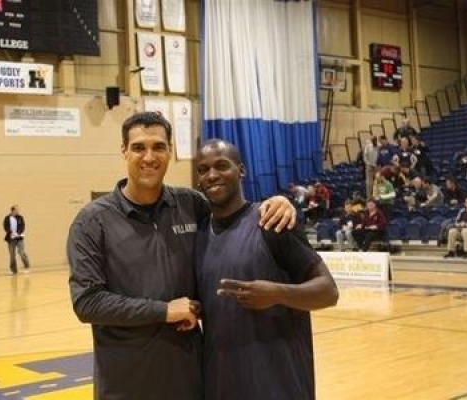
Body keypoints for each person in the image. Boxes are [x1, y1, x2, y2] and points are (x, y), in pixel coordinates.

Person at [66, 112, 296, 400]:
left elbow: (236, 215)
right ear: (124, 151)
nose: (149, 157)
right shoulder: (92, 221)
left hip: (189, 379)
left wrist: (276, 202)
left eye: (158, 147)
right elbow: (87, 303)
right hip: (125, 383)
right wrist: (164, 311)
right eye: (138, 147)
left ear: (170, 151)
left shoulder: (192, 204)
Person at [194, 139, 338, 400]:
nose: (212, 175)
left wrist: (278, 294)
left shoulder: (272, 221)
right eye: (203, 170)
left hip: (279, 386)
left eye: (221, 165)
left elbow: (329, 291)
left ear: (241, 170)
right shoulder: (199, 235)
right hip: (221, 386)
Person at [3, 205, 31, 275]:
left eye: (18, 210)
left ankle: (27, 266)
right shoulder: (7, 218)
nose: (18, 211)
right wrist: (11, 233)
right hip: (11, 238)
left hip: (19, 238)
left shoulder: (20, 218)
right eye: (16, 210)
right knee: (12, 255)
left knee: (21, 252)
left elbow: (22, 226)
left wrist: (18, 233)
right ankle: (13, 270)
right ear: (12, 211)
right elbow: (5, 227)